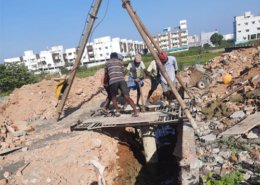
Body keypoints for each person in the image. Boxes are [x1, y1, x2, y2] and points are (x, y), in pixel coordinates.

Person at [104, 52, 138, 117]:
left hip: (113, 81)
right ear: (116, 57)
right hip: (122, 80)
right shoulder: (120, 62)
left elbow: (106, 74)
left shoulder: (107, 63)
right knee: (127, 96)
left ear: (110, 57)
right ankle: (135, 111)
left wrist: (105, 83)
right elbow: (123, 71)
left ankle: (117, 111)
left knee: (113, 97)